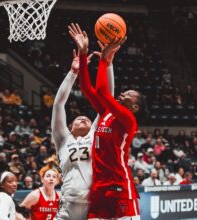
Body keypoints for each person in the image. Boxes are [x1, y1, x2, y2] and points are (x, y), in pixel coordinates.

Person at [70, 23, 143, 219]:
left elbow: (102, 91)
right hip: (99, 188)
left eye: (128, 94)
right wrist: (84, 54)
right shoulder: (105, 113)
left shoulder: (128, 120)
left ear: (134, 107)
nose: (122, 93)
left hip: (120, 187)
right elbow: (87, 88)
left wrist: (104, 60)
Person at [52, 25, 118, 220]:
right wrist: (73, 73)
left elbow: (108, 101)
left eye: (88, 118)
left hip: (94, 205)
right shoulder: (63, 139)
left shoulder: (95, 135)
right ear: (69, 127)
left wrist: (108, 65)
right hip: (68, 205)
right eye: (78, 119)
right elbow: (58, 105)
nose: (83, 117)